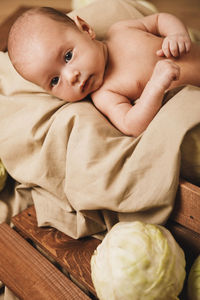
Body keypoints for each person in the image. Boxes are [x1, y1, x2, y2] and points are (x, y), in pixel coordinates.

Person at [7, 7, 200, 137]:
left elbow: (159, 20)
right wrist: (156, 86)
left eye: (67, 56)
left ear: (85, 28)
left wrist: (176, 34)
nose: (71, 76)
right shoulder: (105, 94)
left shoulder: (121, 30)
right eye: (55, 81)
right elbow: (131, 125)